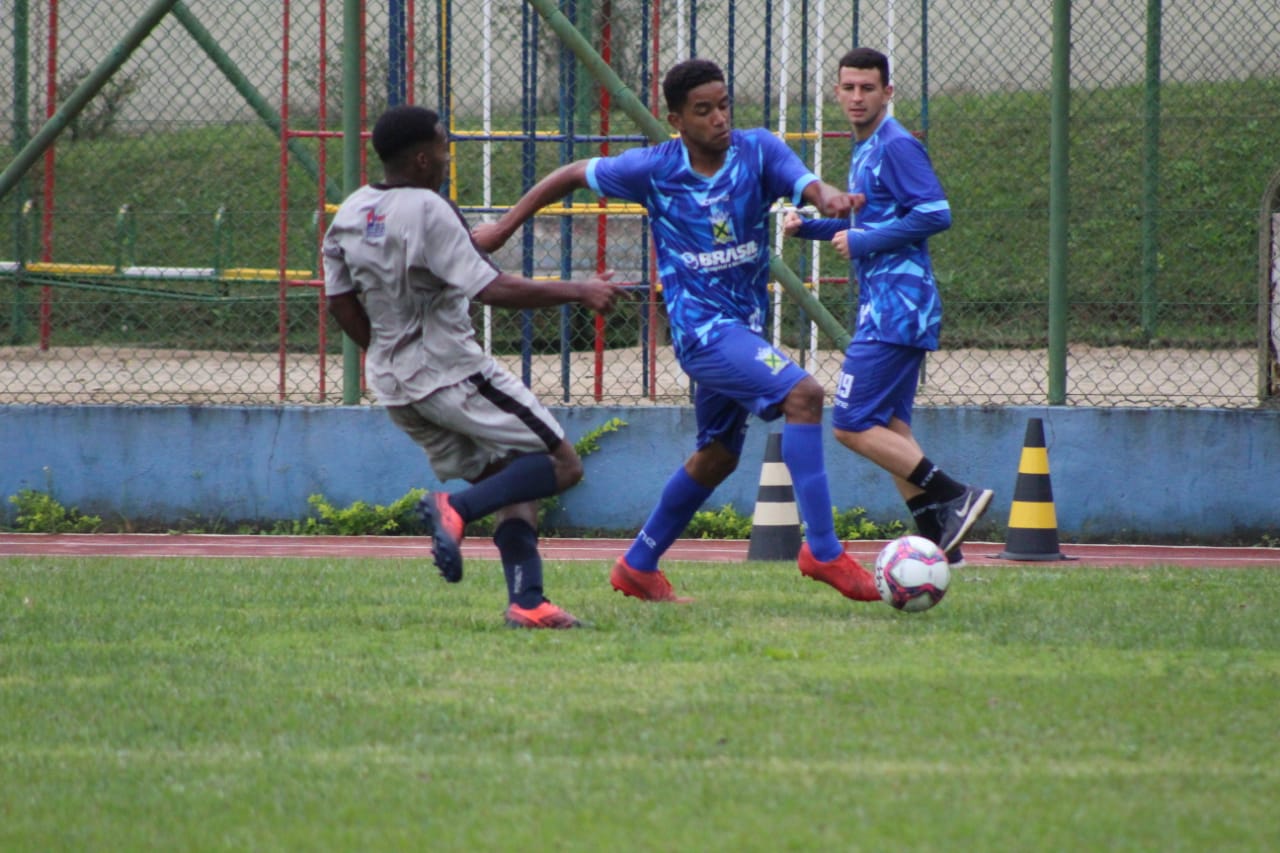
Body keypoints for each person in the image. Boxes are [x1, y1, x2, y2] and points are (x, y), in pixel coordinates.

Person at [473, 57, 879, 604]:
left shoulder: (756, 150)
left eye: (723, 105)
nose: (719, 119)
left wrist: (826, 197)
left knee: (718, 456)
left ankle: (638, 564)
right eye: (703, 110)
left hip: (745, 330)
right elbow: (571, 174)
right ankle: (824, 551)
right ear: (677, 121)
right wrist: (502, 226)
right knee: (803, 395)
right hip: (702, 334)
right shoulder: (654, 169)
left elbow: (804, 180)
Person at [322, 104, 626, 629]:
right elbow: (491, 289)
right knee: (561, 466)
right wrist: (580, 289)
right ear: (422, 158)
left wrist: (389, 351)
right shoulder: (430, 209)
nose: (447, 155)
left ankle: (528, 601)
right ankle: (455, 509)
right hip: (451, 371)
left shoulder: (351, 211)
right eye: (443, 146)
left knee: (514, 480)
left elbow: (341, 301)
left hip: (396, 385)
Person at [783, 47, 991, 566]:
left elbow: (935, 213)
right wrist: (808, 226)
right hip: (888, 307)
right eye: (849, 88)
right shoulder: (866, 147)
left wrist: (865, 243)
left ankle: (954, 496)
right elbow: (869, 223)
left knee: (851, 423)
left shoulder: (897, 145)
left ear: (887, 93)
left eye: (868, 88)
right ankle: (940, 536)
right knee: (891, 429)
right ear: (837, 92)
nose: (857, 97)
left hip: (900, 309)